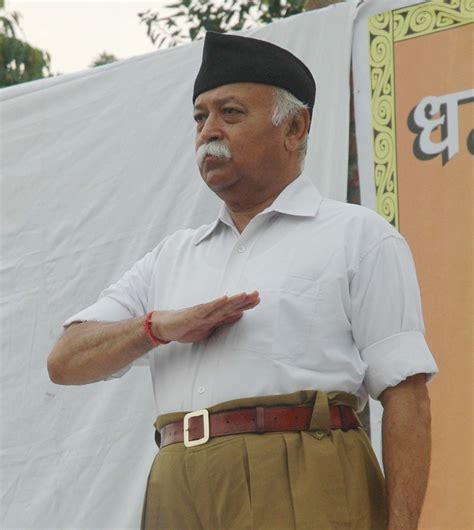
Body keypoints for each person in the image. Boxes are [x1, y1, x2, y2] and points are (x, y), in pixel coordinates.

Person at [48, 32, 438, 530]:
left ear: (294, 127)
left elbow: (406, 395)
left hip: (305, 477)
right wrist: (156, 329)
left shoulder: (358, 236)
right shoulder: (171, 257)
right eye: (199, 117)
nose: (209, 131)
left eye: (230, 113)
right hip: (177, 485)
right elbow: (65, 361)